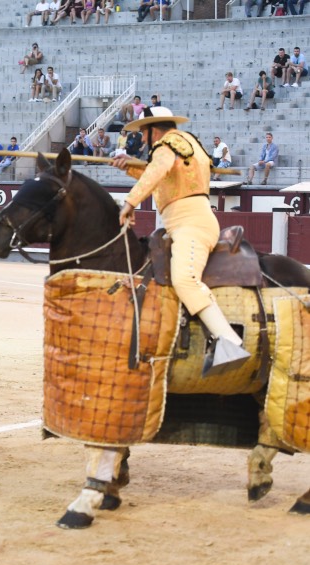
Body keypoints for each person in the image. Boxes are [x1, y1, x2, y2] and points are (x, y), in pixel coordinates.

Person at [111, 106, 250, 373]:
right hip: (189, 221)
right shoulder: (186, 146)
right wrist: (128, 168)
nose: (141, 139)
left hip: (190, 223)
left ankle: (229, 341)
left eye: (143, 132)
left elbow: (158, 169)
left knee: (185, 279)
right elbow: (162, 177)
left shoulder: (167, 144)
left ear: (154, 130)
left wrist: (130, 203)